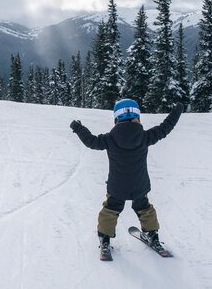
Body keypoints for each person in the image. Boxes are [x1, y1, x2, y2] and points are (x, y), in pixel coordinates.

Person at [70, 99, 184, 258]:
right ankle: (153, 236)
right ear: (137, 116)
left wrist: (78, 127)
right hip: (139, 185)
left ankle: (105, 241)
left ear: (116, 119)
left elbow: (91, 142)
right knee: (145, 209)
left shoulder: (109, 138)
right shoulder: (146, 137)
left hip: (117, 186)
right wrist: (177, 110)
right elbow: (166, 127)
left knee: (110, 210)